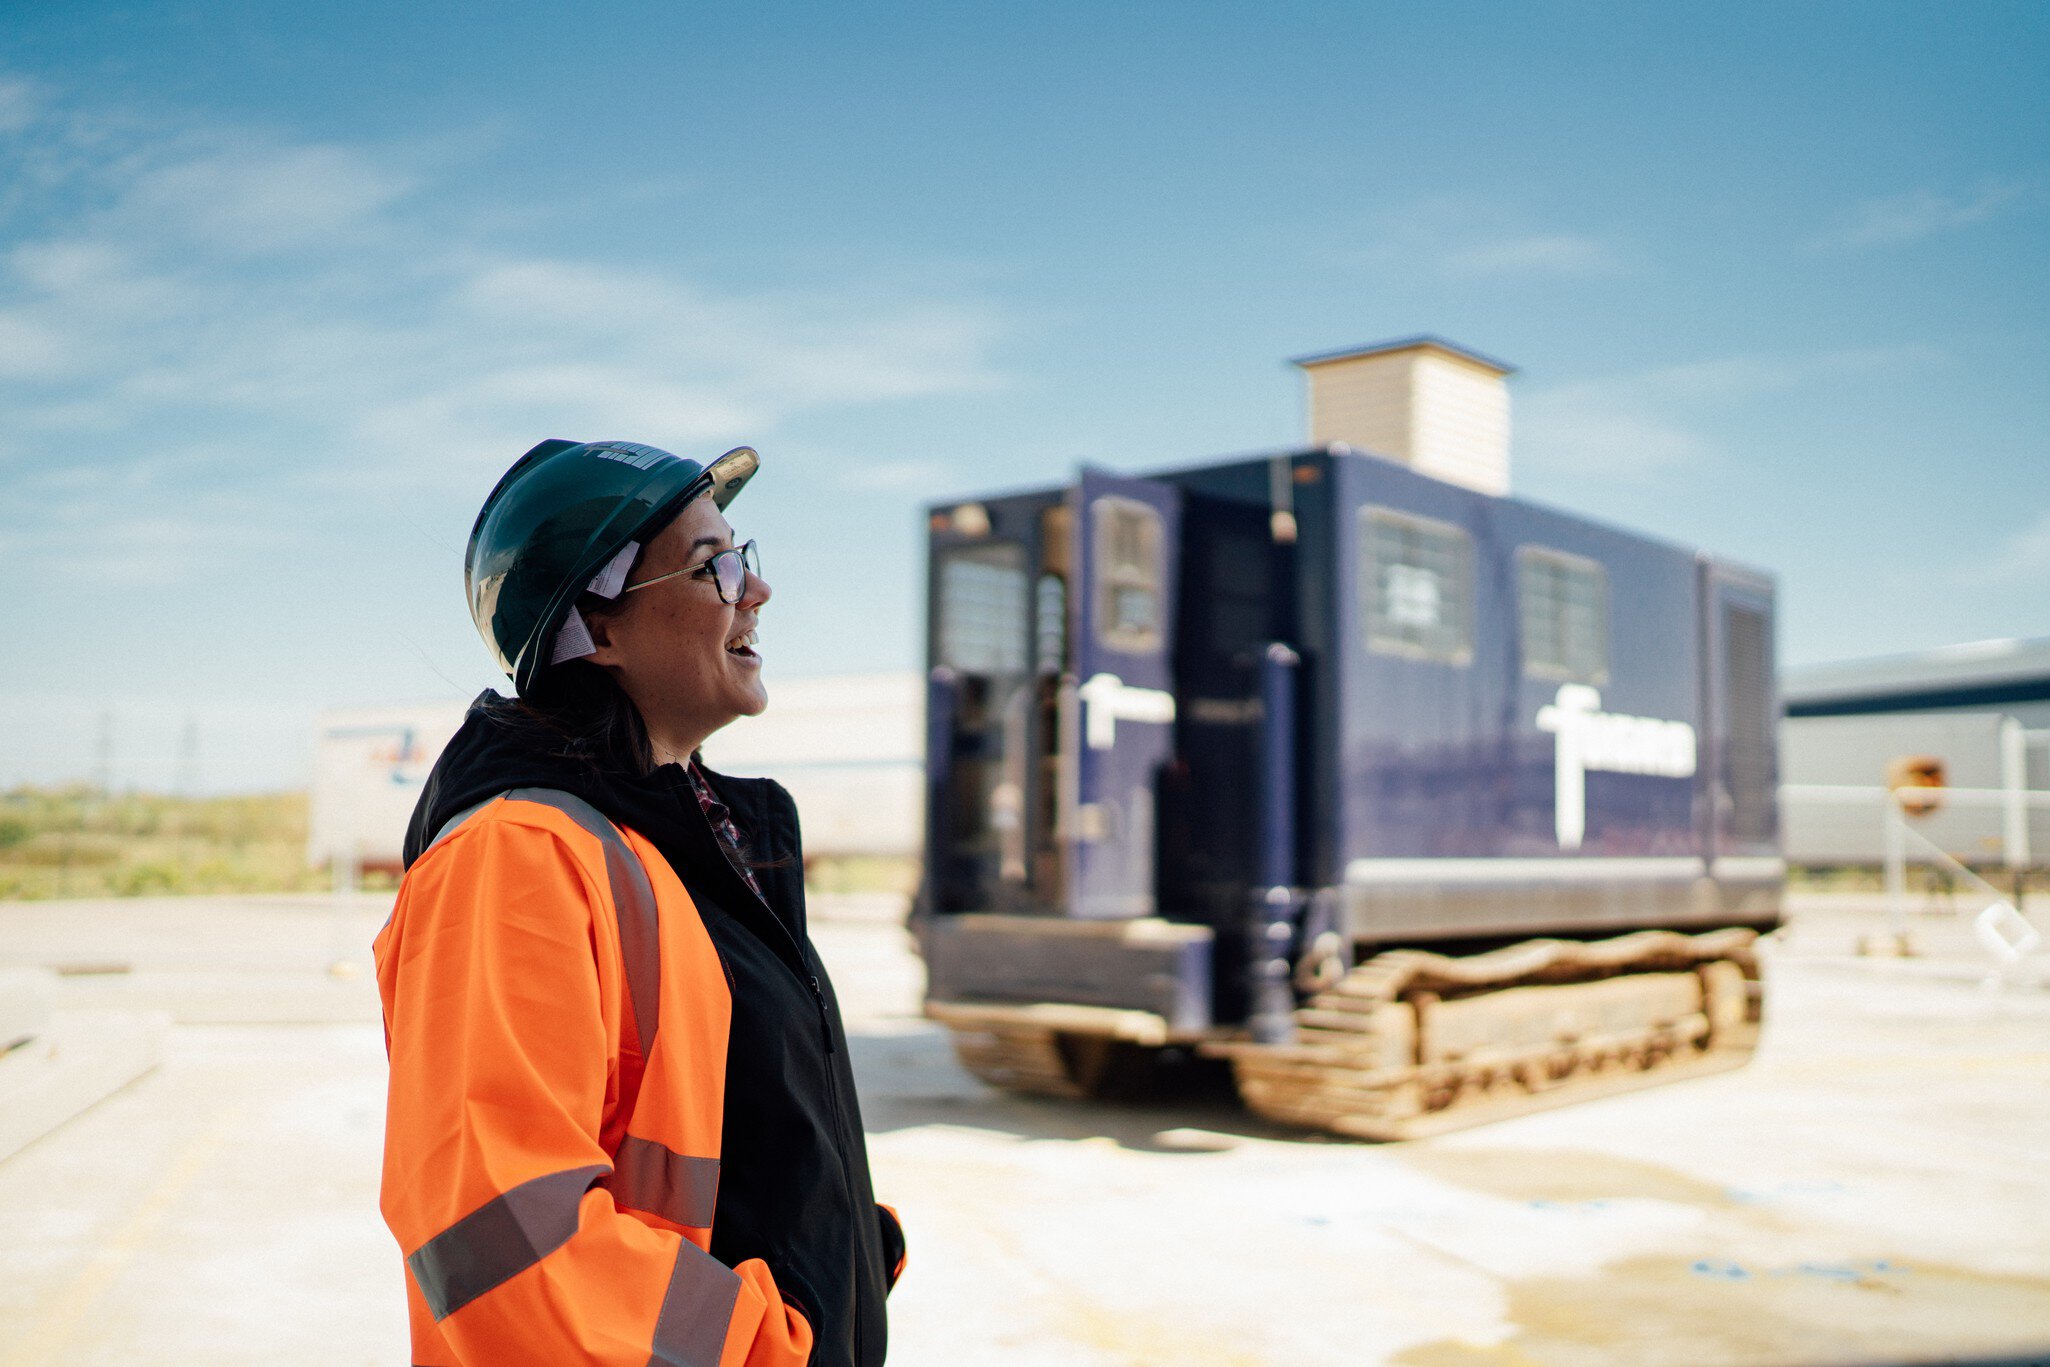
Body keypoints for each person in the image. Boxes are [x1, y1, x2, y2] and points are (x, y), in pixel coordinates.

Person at [374, 438, 904, 1367]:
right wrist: (774, 1346)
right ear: (599, 631)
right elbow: (509, 1240)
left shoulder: (693, 846)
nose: (756, 589)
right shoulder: (518, 858)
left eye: (744, 554)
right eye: (712, 566)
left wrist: (846, 1246)